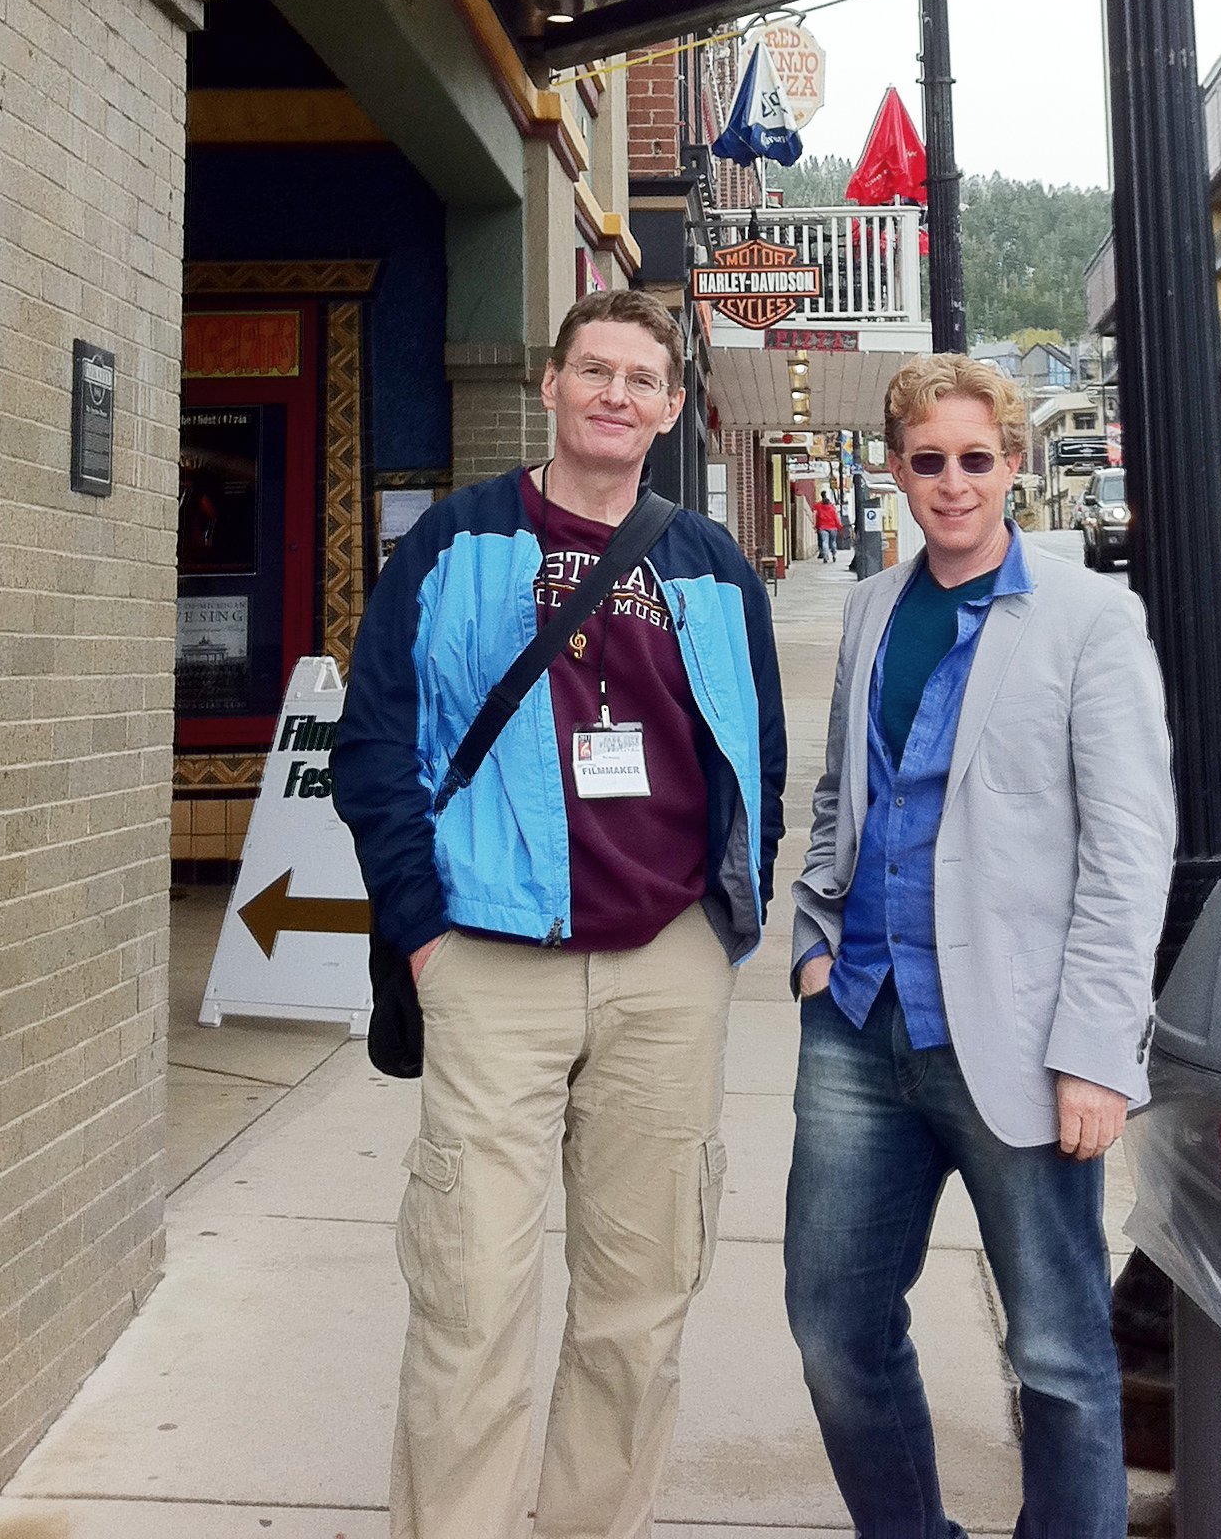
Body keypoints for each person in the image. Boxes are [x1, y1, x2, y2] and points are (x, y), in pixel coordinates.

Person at [333, 288, 785, 1539]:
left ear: (673, 408)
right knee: (471, 1299)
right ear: (549, 383)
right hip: (489, 960)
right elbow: (376, 747)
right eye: (595, 370)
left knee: (637, 1308)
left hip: (664, 969)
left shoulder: (710, 564)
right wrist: (423, 932)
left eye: (643, 380)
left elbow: (760, 758)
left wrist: (715, 925)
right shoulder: (452, 546)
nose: (616, 395)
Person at [784, 352, 1176, 1539]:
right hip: (859, 1023)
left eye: (976, 459)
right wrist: (813, 930)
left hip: (1014, 1035)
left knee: (1057, 1355)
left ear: (1013, 463)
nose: (952, 483)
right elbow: (837, 795)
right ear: (894, 468)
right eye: (927, 461)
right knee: (834, 1329)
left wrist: (1100, 1051)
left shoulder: (1090, 618)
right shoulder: (871, 605)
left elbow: (1127, 848)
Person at [814, 488, 843, 563]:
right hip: (833, 528)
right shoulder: (832, 509)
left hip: (823, 528)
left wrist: (817, 527)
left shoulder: (819, 508)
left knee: (825, 542)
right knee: (833, 541)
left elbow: (817, 519)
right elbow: (836, 519)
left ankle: (825, 555)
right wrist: (839, 527)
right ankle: (834, 554)